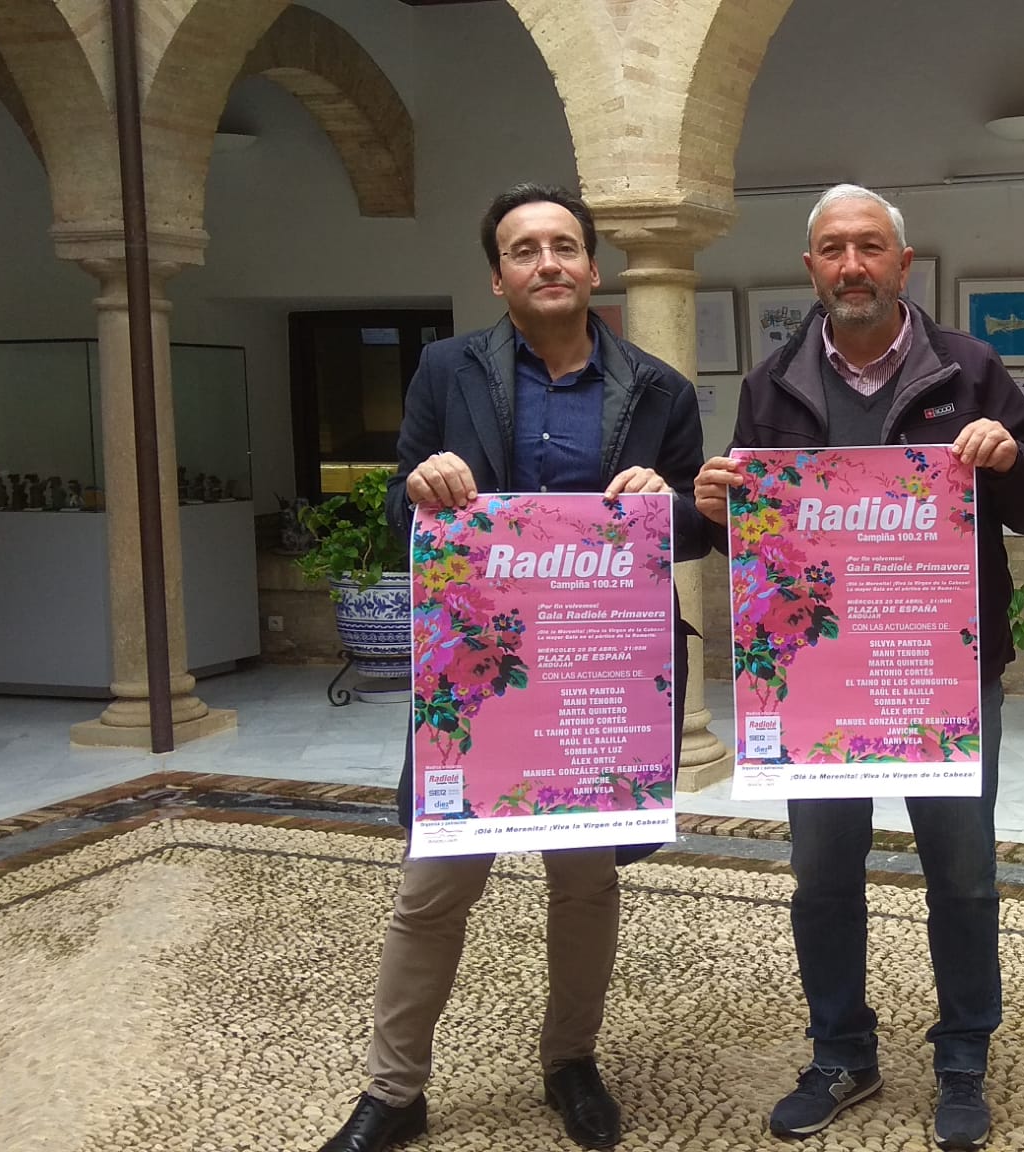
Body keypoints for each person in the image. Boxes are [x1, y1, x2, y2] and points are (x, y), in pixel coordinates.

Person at [315, 183, 708, 1152]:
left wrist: (669, 502)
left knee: (584, 885)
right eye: (525, 249)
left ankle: (570, 1062)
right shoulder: (445, 372)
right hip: (475, 680)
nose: (548, 263)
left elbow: (699, 526)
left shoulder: (660, 390)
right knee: (432, 886)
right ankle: (394, 1091)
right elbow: (406, 525)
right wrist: (420, 490)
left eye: (565, 245)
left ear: (592, 265)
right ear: (498, 274)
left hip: (598, 683)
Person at [693, 184, 1024, 1150]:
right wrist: (716, 499)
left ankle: (962, 1058)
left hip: (939, 666)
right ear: (809, 267)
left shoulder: (971, 367)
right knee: (821, 874)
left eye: (869, 248)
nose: (851, 265)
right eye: (831, 249)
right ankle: (842, 1052)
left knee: (964, 873)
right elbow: (756, 531)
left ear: (904, 264)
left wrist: (1006, 458)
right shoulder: (772, 381)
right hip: (815, 675)